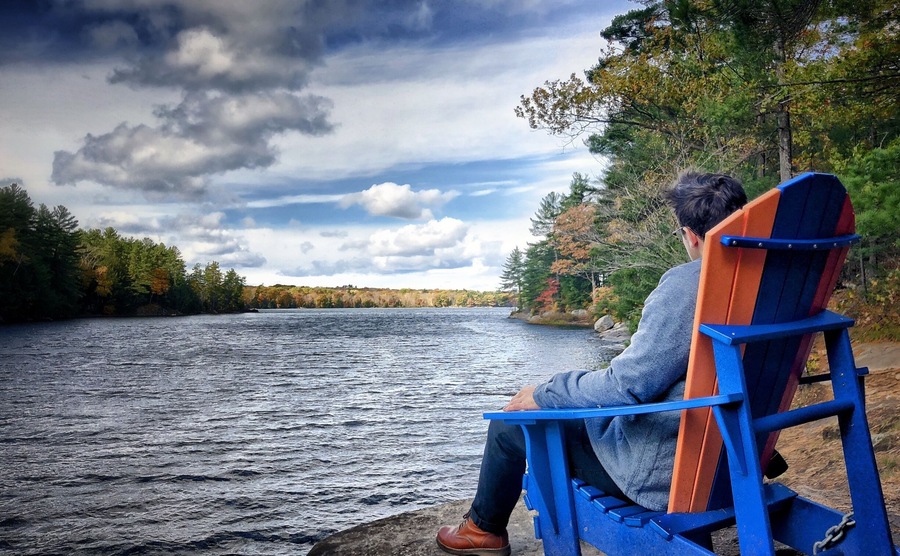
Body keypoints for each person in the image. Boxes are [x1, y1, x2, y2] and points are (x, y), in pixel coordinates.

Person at [436, 172, 748, 556]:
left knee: (509, 425)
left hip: (667, 475)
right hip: (735, 461)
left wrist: (546, 392)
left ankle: (482, 531)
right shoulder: (767, 282)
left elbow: (626, 386)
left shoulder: (689, 286)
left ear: (691, 235)